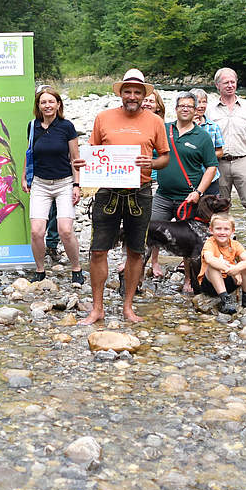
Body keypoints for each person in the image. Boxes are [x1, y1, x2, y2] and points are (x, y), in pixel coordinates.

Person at [82, 69, 169, 325]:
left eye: (137, 92)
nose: (132, 96)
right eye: (127, 91)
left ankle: (128, 307)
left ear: (144, 95)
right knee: (98, 251)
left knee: (136, 251)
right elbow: (92, 152)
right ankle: (97, 308)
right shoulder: (103, 118)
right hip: (107, 192)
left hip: (140, 192)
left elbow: (164, 158)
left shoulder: (155, 121)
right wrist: (83, 165)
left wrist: (151, 163)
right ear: (121, 93)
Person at [149, 91, 219, 286]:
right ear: (176, 108)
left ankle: (189, 281)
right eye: (182, 106)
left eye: (189, 106)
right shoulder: (163, 129)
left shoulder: (203, 136)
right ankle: (142, 273)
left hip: (188, 199)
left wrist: (198, 192)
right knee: (149, 234)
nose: (185, 109)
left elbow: (212, 166)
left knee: (190, 244)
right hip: (162, 196)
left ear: (196, 110)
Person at [20, 85, 83, 284]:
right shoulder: (33, 126)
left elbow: (75, 158)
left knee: (65, 229)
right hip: (40, 183)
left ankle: (76, 268)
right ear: (38, 106)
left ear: (58, 104)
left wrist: (76, 185)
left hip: (64, 183)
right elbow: (29, 153)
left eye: (51, 101)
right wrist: (24, 177)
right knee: (37, 231)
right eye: (43, 102)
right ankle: (40, 270)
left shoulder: (67, 127)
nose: (47, 105)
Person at [207, 67, 246, 249]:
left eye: (233, 81)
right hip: (219, 164)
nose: (230, 85)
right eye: (226, 82)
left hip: (244, 161)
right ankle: (223, 250)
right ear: (218, 85)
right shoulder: (210, 110)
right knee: (219, 210)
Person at [199, 213, 246, 315]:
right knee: (212, 266)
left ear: (232, 231)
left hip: (229, 282)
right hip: (210, 284)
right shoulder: (210, 243)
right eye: (218, 229)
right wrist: (232, 271)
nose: (222, 232)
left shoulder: (235, 244)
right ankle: (224, 299)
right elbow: (209, 259)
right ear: (211, 230)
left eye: (226, 229)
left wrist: (237, 268)